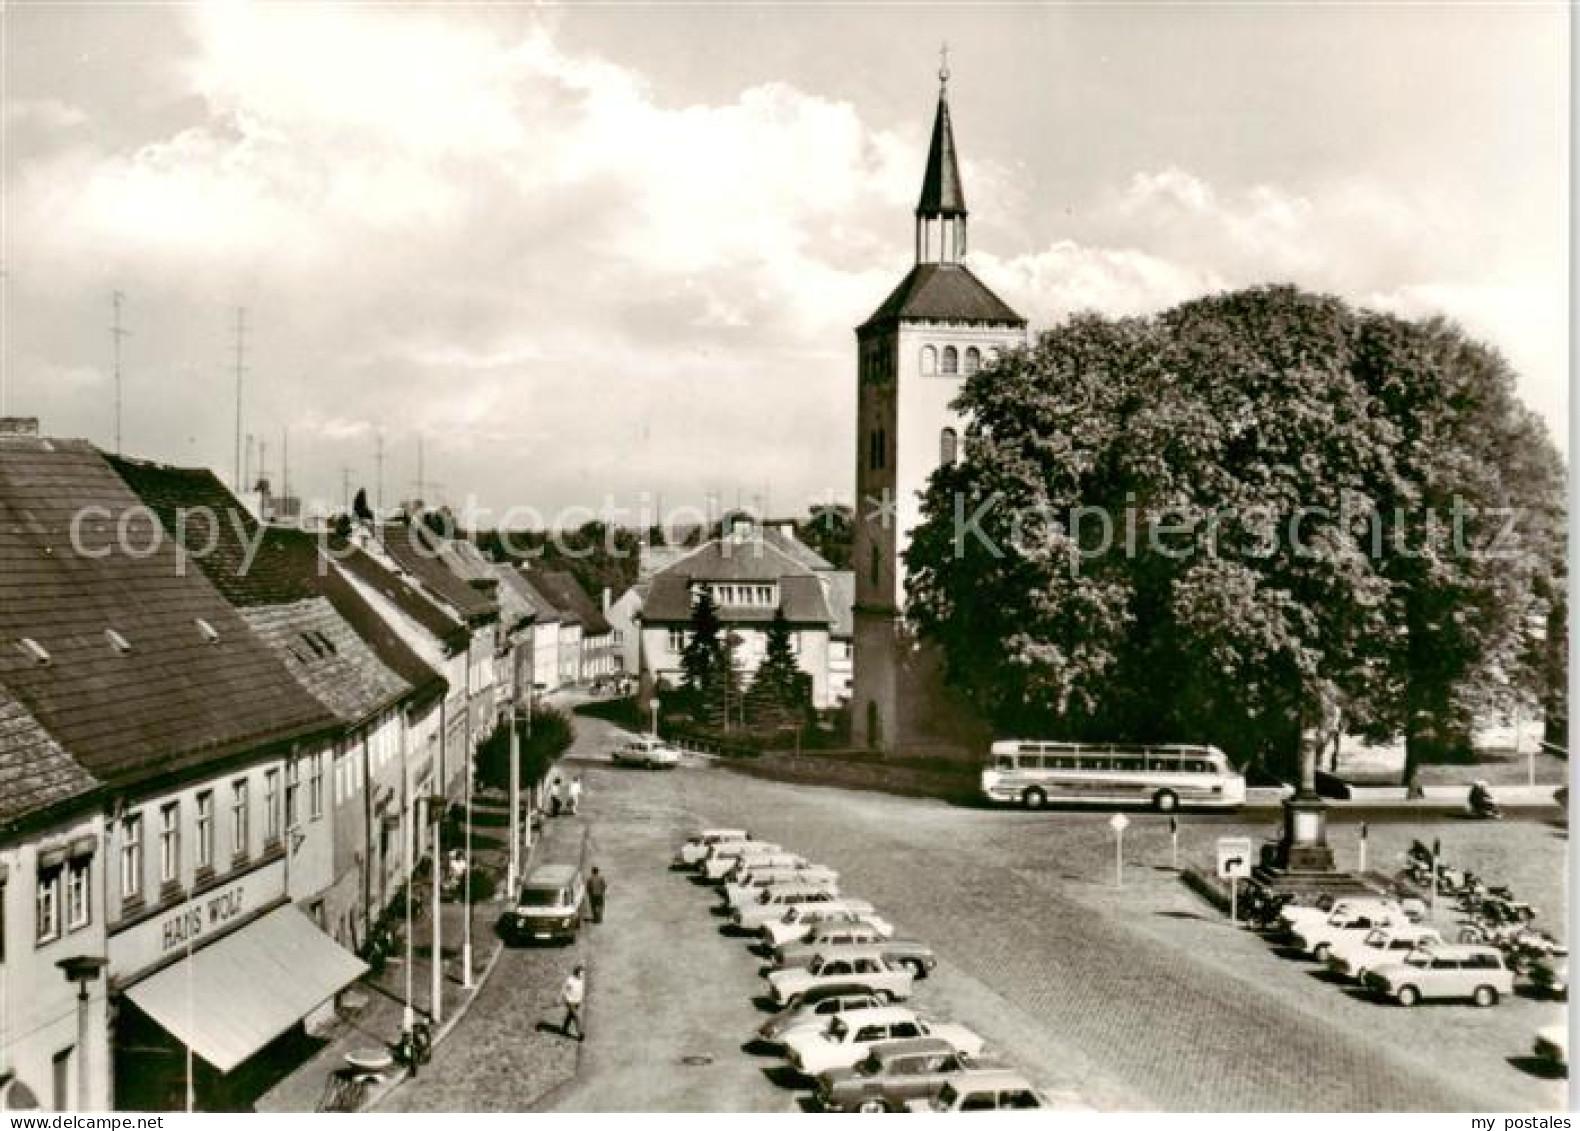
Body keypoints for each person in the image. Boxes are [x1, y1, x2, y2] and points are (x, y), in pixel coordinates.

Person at [561, 964, 586, 1041]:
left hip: (577, 1002)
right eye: (581, 973)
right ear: (576, 972)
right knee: (576, 1017)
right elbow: (565, 990)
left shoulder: (581, 979)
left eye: (583, 973)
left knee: (570, 1016)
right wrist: (565, 999)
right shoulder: (570, 980)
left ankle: (564, 1029)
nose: (582, 975)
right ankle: (580, 1034)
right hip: (571, 1002)